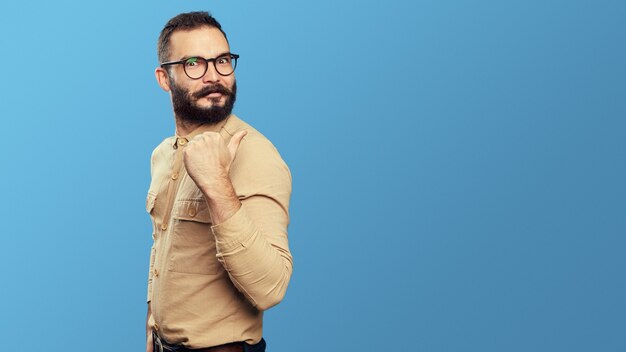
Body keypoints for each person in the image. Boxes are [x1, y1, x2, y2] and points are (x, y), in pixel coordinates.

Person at [145, 11, 293, 352]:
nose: (214, 75)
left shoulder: (255, 154)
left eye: (222, 60)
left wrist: (215, 183)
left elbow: (271, 288)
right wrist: (152, 322)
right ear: (163, 78)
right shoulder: (163, 154)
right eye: (194, 63)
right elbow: (162, 243)